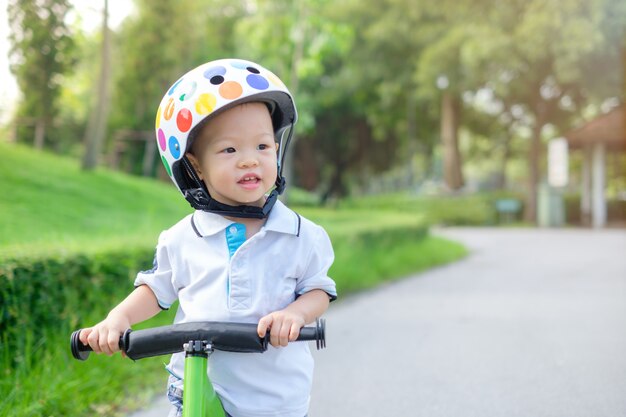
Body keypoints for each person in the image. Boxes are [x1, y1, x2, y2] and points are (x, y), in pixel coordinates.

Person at [79, 58, 337, 417]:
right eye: (230, 150)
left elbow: (318, 289)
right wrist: (117, 319)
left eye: (262, 147)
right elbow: (156, 289)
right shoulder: (182, 238)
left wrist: (294, 314)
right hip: (196, 389)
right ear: (196, 166)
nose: (249, 161)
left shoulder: (301, 234)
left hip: (274, 400)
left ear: (277, 150)